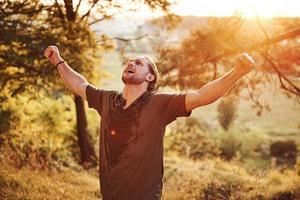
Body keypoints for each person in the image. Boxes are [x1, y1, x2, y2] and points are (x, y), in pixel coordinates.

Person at [44, 45, 254, 200]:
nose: (130, 63)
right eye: (129, 61)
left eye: (138, 62)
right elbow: (80, 85)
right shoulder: (107, 100)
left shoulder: (159, 104)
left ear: (150, 77)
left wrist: (237, 72)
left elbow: (201, 96)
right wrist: (59, 62)